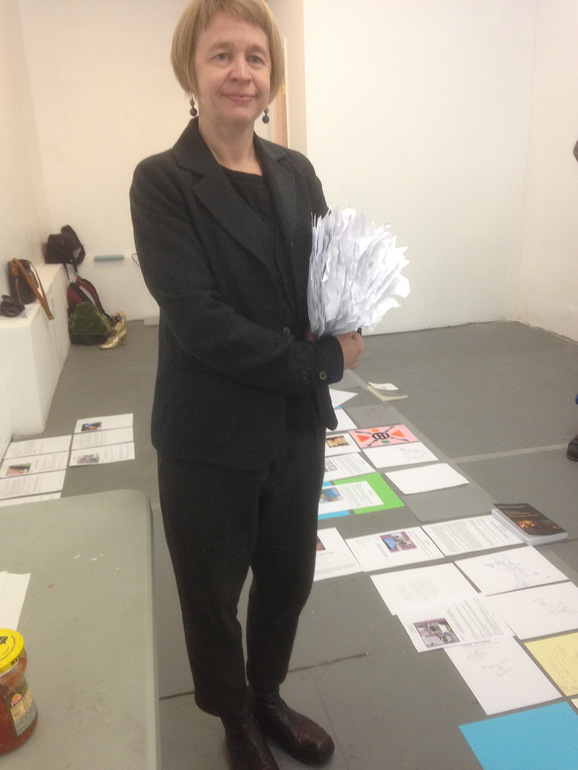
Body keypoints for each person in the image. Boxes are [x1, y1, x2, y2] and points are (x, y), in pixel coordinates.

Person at [129, 1, 364, 768]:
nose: (241, 72)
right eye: (222, 54)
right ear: (191, 71)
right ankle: (233, 716)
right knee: (211, 592)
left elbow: (325, 281)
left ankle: (268, 695)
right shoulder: (163, 181)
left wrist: (353, 306)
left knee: (287, 579)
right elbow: (200, 321)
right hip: (208, 432)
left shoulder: (295, 172)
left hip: (293, 426)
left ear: (272, 75)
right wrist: (322, 362)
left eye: (255, 57)